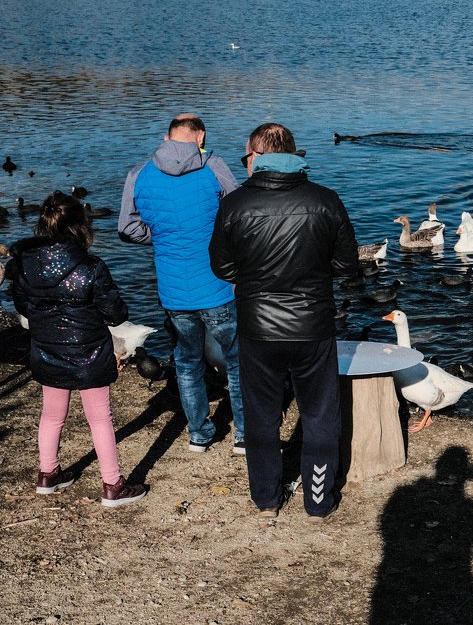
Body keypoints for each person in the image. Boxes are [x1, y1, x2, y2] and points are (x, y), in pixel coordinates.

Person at [209, 122, 359, 520]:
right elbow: (347, 266)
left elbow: (221, 267)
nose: (244, 163)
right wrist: (312, 272)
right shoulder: (325, 200)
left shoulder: (235, 204)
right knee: (320, 415)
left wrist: (255, 279)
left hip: (258, 327)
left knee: (261, 416)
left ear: (257, 156)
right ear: (292, 154)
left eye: (245, 156)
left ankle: (267, 499)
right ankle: (318, 501)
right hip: (313, 326)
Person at [8, 192, 148, 507]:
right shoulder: (91, 266)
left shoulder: (24, 264)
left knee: (51, 414)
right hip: (89, 352)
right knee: (99, 418)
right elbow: (116, 314)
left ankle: (48, 475)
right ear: (80, 226)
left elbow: (22, 306)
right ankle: (113, 485)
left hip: (46, 348)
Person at [118, 114, 245, 454]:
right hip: (217, 284)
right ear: (200, 137)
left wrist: (162, 236)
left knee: (187, 361)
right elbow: (239, 212)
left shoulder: (139, 173)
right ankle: (244, 435)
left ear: (167, 137)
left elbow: (127, 228)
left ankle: (199, 435)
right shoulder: (213, 164)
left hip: (173, 290)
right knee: (237, 360)